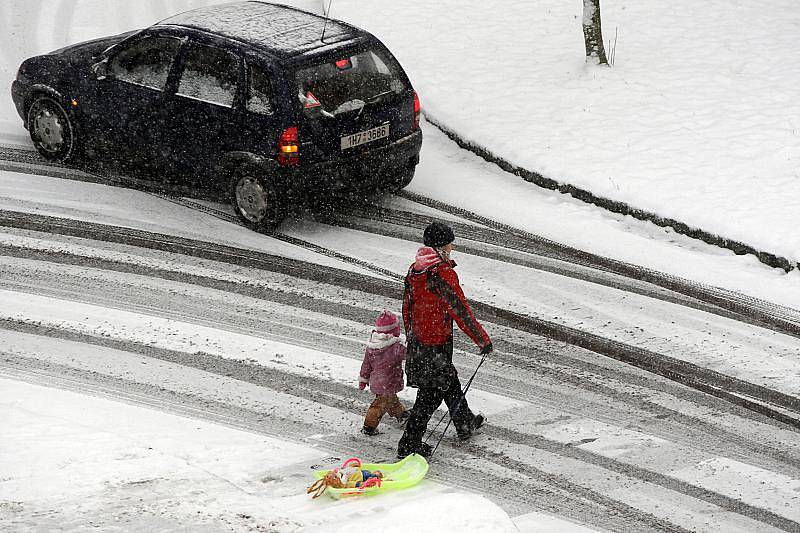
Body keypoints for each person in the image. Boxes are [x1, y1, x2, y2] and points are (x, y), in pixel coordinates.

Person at [397, 221, 493, 459]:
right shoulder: (441, 274)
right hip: (435, 342)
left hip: (420, 340)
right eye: (450, 242)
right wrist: (481, 339)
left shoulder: (415, 270)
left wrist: (412, 336)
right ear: (442, 246)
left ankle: (464, 422)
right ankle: (409, 444)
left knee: (448, 381)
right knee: (430, 395)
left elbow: (407, 307)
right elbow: (459, 309)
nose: (452, 246)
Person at [358, 309, 410, 436]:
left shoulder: (372, 346)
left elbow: (366, 364)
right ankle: (369, 427)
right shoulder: (395, 348)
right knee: (379, 406)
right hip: (389, 381)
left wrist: (363, 379)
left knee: (390, 400)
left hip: (378, 381)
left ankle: (401, 414)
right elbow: (409, 354)